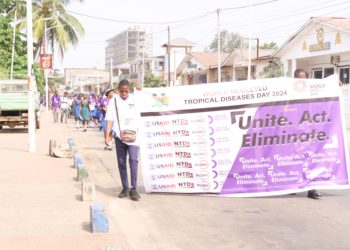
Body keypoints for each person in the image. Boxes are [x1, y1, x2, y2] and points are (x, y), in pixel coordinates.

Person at [104, 79, 141, 201]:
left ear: (129, 89)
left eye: (126, 91)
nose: (124, 93)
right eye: (122, 91)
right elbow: (109, 119)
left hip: (134, 137)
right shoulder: (113, 101)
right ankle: (125, 188)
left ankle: (133, 188)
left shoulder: (136, 99)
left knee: (133, 160)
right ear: (118, 90)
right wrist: (107, 135)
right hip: (119, 137)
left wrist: (143, 91)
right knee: (121, 163)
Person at [294, 68, 322, 199]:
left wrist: (335, 85)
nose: (302, 79)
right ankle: (289, 185)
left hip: (308, 132)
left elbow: (326, 88)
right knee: (291, 160)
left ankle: (311, 189)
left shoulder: (312, 89)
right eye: (299, 77)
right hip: (291, 133)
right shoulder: (289, 91)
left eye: (304, 76)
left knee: (309, 159)